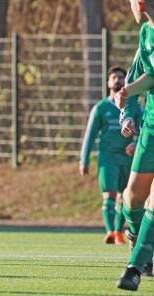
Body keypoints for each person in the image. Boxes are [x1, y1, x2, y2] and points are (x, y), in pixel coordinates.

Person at [115, 0, 154, 291]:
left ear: (138, 3)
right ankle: (142, 247)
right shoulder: (146, 34)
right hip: (151, 130)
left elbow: (151, 78)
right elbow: (135, 75)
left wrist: (128, 91)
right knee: (131, 199)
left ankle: (135, 268)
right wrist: (127, 114)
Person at [79, 66, 142, 245]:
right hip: (107, 158)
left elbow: (145, 130)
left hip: (128, 158)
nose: (117, 80)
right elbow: (90, 135)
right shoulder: (101, 108)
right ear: (108, 82)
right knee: (109, 194)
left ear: (125, 81)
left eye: (121, 77)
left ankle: (119, 232)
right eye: (114, 77)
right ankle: (111, 232)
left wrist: (136, 143)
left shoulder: (134, 107)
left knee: (126, 196)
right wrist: (83, 160)